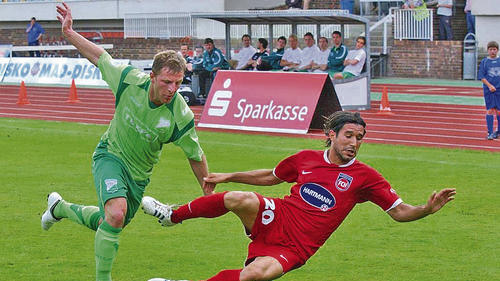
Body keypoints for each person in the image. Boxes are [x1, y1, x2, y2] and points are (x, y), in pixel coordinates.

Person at [142, 111, 456, 281]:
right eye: (349, 135)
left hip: (297, 246)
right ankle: (172, 215)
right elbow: (270, 176)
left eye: (360, 138)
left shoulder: (365, 177)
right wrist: (228, 175)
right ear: (332, 135)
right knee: (238, 197)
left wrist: (426, 209)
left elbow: (400, 211)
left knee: (254, 275)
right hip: (278, 216)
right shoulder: (306, 158)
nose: (355, 143)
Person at [41, 3, 213, 281]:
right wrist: (69, 33)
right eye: (167, 82)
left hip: (138, 178)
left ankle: (58, 208)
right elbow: (100, 57)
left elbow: (195, 155)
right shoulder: (129, 81)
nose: (172, 89)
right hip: (110, 155)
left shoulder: (180, 114)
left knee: (109, 221)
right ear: (152, 76)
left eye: (178, 83)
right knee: (116, 214)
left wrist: (209, 193)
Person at [478, 41, 500, 140]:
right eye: (490, 49)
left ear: (497, 50)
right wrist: (489, 86)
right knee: (490, 110)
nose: (492, 51)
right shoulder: (484, 62)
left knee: (499, 111)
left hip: (499, 89)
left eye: (494, 49)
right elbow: (482, 76)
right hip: (489, 90)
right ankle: (490, 132)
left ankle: (498, 131)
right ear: (488, 50)